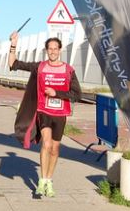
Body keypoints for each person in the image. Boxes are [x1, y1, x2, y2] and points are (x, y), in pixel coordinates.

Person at [9, 31, 82, 198]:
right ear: (46, 50)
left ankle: (49, 180)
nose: (53, 52)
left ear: (60, 50)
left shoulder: (68, 70)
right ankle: (41, 181)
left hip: (60, 114)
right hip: (44, 111)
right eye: (50, 49)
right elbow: (14, 64)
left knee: (55, 149)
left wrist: (57, 93)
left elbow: (77, 94)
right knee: (47, 144)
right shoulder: (40, 67)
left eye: (56, 49)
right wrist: (13, 44)